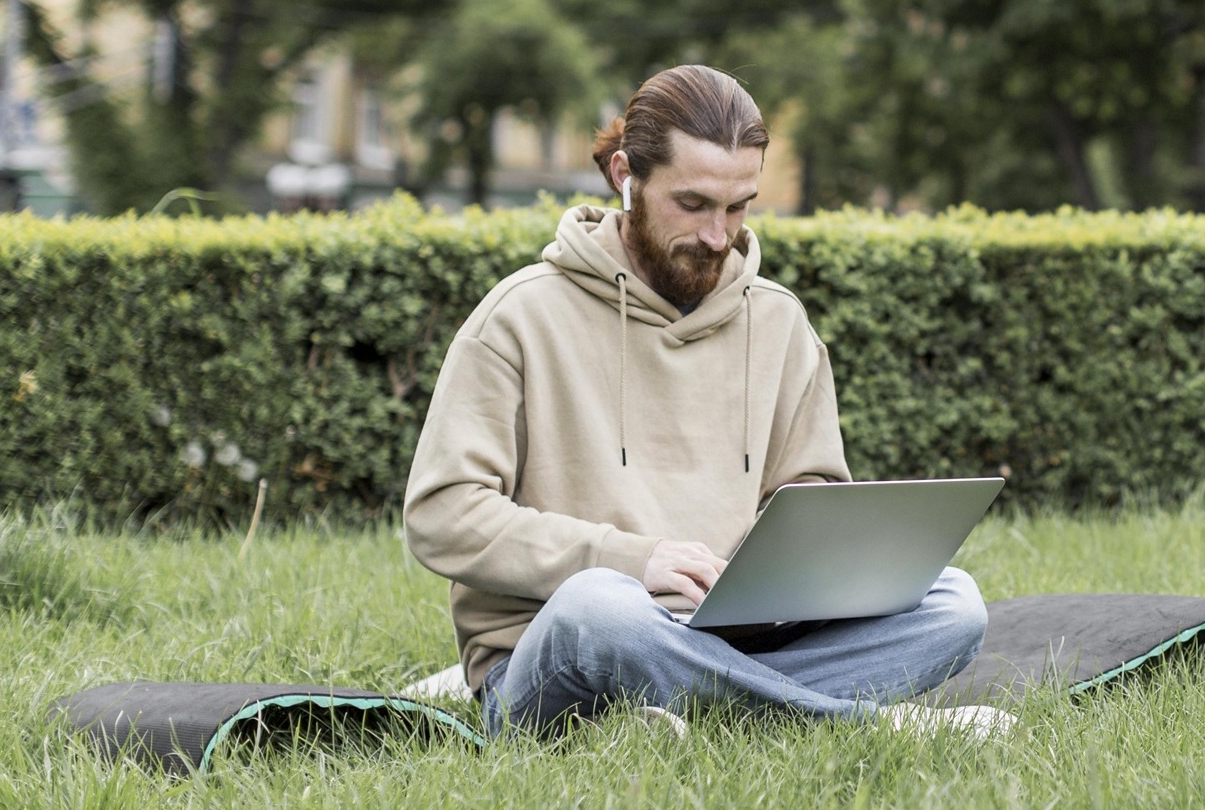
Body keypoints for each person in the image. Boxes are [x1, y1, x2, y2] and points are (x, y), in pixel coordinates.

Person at [403, 65, 1008, 738]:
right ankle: (863, 722)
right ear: (626, 177)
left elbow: (809, 496)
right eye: (692, 205)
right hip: (568, 643)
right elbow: (442, 515)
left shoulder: (779, 322)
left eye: (739, 206)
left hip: (741, 635)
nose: (719, 235)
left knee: (954, 604)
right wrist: (632, 562)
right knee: (597, 608)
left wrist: (776, 571)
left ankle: (680, 710)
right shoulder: (519, 316)